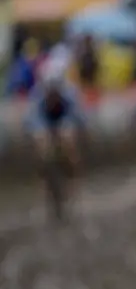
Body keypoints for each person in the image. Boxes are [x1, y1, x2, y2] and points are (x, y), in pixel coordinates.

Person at [23, 60, 87, 201]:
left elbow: (79, 117)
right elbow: (31, 120)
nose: (52, 94)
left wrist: (71, 129)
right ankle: (44, 178)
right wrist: (40, 135)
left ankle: (73, 175)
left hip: (65, 119)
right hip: (45, 121)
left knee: (68, 139)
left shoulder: (70, 94)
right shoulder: (37, 96)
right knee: (42, 145)